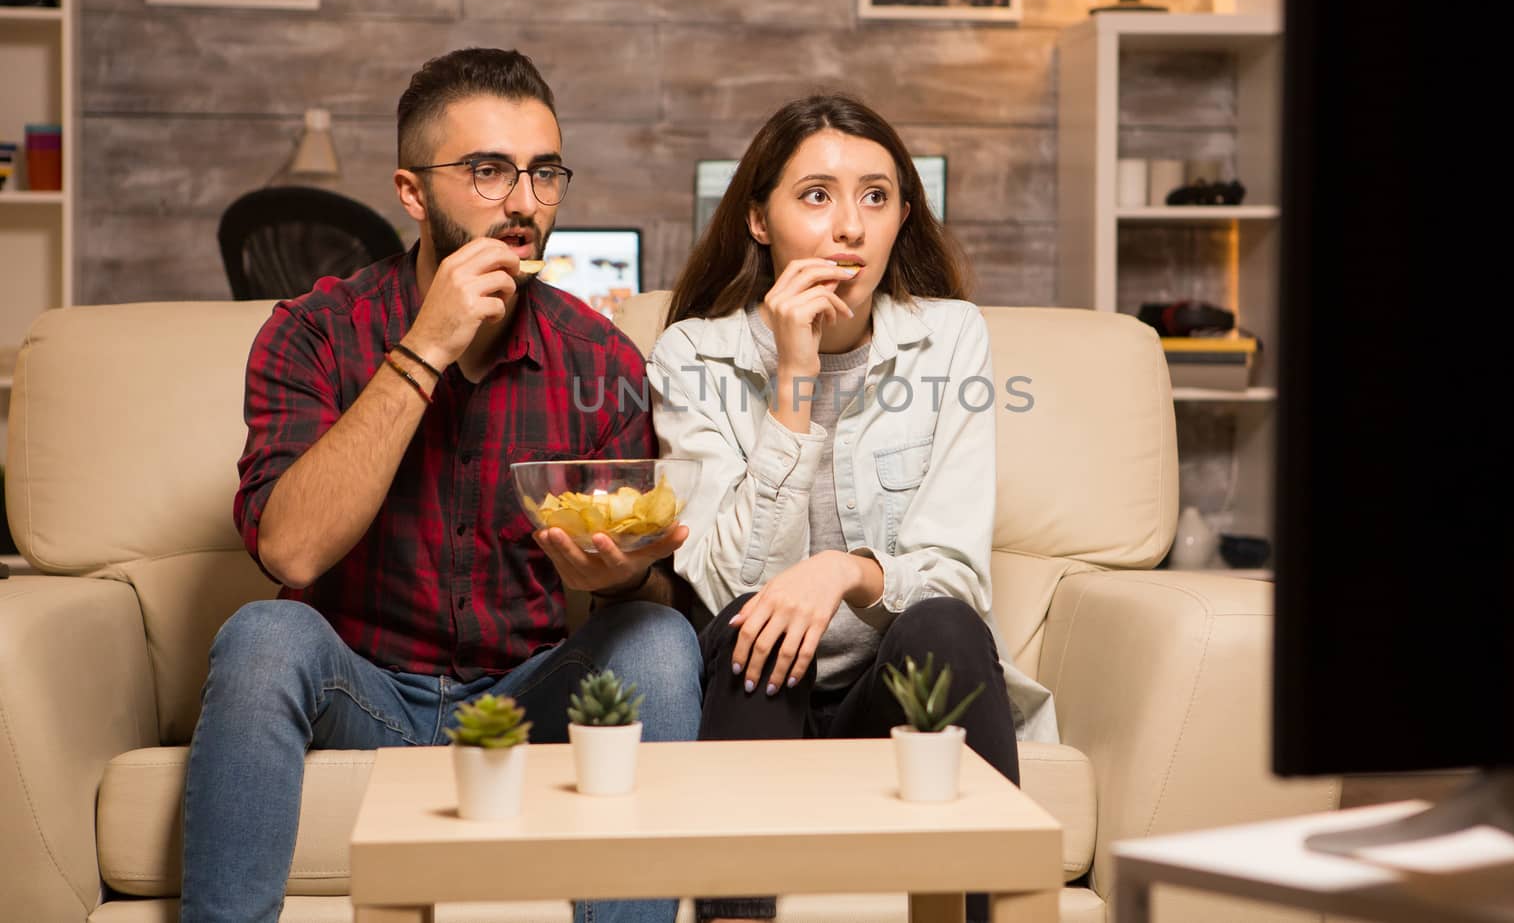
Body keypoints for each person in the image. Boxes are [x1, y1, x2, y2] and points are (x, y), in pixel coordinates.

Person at [182, 48, 701, 923]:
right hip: (362, 688)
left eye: (544, 174)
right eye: (489, 172)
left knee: (657, 638)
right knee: (264, 632)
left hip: (524, 691)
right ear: (412, 191)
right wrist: (426, 346)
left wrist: (614, 577)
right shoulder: (313, 334)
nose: (525, 203)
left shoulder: (599, 358)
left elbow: (637, 582)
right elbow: (291, 548)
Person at [648, 94, 1056, 923]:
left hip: (896, 694)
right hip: (757, 695)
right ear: (760, 219)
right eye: (816, 196)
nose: (850, 228)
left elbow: (957, 577)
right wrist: (793, 383)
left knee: (942, 622)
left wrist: (845, 569)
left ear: (904, 214)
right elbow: (726, 581)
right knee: (754, 630)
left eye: (876, 196)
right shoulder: (693, 352)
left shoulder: (951, 338)